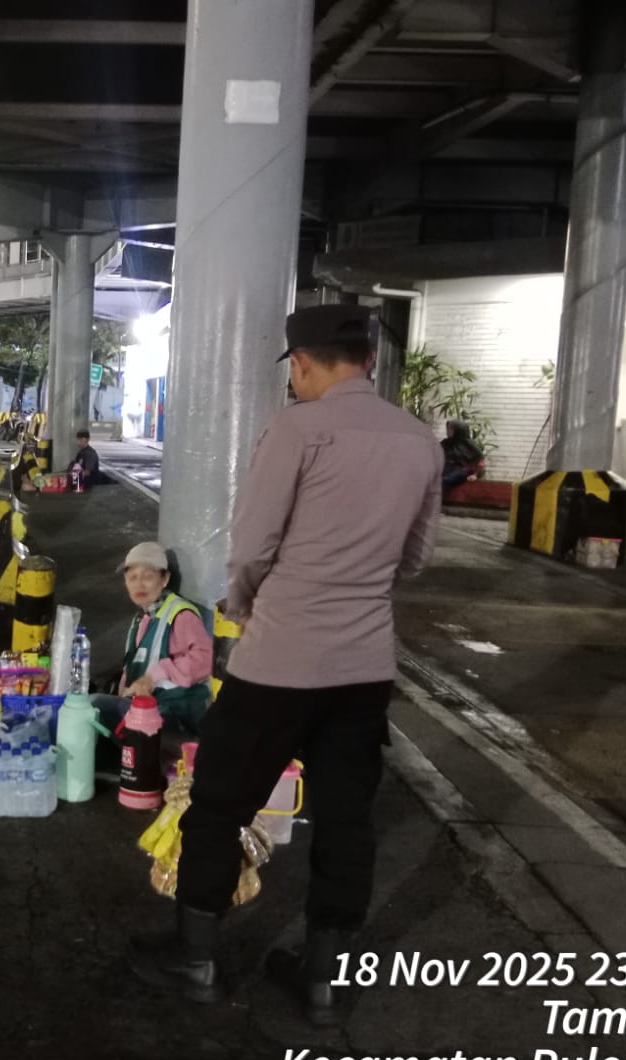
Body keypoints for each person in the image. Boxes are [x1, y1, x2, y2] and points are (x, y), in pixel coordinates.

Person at [130, 304, 442, 1021]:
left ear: (301, 363)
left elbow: (251, 548)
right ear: (368, 359)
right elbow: (416, 557)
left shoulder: (297, 429)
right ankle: (323, 979)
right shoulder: (420, 441)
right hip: (364, 667)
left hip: (278, 663)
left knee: (218, 804)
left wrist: (245, 605)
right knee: (345, 819)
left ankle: (197, 959)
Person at [92, 541, 213, 739]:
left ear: (165, 579)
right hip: (147, 712)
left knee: (95, 705)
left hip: (177, 717)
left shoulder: (181, 614)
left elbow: (205, 659)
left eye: (148, 576)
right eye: (132, 577)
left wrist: (153, 677)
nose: (139, 584)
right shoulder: (141, 620)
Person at [439, 419, 485, 490]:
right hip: (447, 469)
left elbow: (480, 461)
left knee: (444, 481)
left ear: (458, 430)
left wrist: (475, 475)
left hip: (462, 470)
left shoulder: (469, 444)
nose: (447, 431)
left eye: (450, 429)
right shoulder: (445, 443)